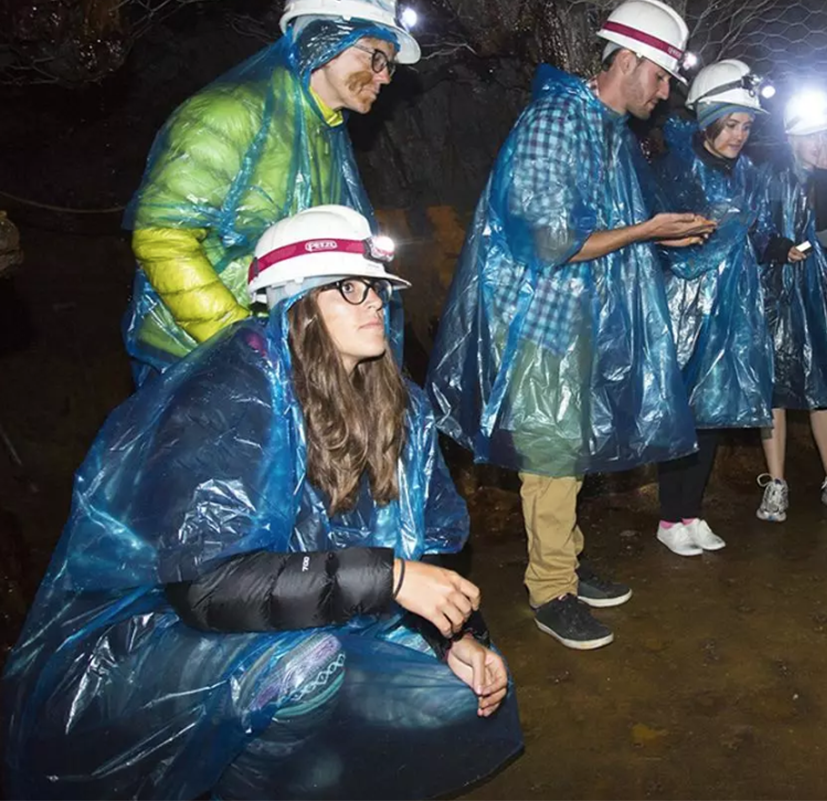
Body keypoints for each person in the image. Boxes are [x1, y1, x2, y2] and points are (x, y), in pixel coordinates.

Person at [2, 206, 522, 801]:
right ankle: (255, 781)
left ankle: (305, 761)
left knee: (454, 689)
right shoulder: (226, 399)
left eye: (375, 286)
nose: (374, 301)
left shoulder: (394, 402)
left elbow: (430, 539)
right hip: (153, 639)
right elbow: (203, 588)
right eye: (348, 288)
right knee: (305, 670)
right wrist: (390, 577)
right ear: (295, 304)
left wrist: (457, 637)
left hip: (310, 614)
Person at [428, 0, 714, 650]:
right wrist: (647, 229)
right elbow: (549, 239)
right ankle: (550, 589)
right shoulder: (557, 121)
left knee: (571, 444)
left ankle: (566, 559)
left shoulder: (605, 127)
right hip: (542, 312)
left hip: (582, 310)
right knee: (552, 448)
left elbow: (595, 229)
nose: (665, 92)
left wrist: (657, 239)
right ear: (631, 59)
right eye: (662, 76)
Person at [122, 0, 420, 386]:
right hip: (195, 363)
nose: (385, 75)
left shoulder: (325, 133)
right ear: (325, 41)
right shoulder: (229, 116)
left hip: (283, 360)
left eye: (388, 63)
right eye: (375, 56)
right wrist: (240, 341)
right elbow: (162, 236)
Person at [647, 59, 774, 556]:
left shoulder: (744, 175)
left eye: (747, 125)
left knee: (713, 410)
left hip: (729, 305)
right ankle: (668, 516)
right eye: (731, 124)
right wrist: (708, 235)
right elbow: (660, 236)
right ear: (708, 120)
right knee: (682, 412)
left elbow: (752, 233)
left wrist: (774, 243)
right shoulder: (674, 166)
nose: (740, 134)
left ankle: (692, 512)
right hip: (683, 304)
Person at [754, 89, 827, 522]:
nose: (820, 141)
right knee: (773, 386)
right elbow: (749, 228)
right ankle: (776, 484)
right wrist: (774, 246)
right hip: (773, 294)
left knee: (823, 382)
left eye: (826, 133)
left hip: (818, 295)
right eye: (811, 134)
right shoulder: (766, 176)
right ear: (791, 137)